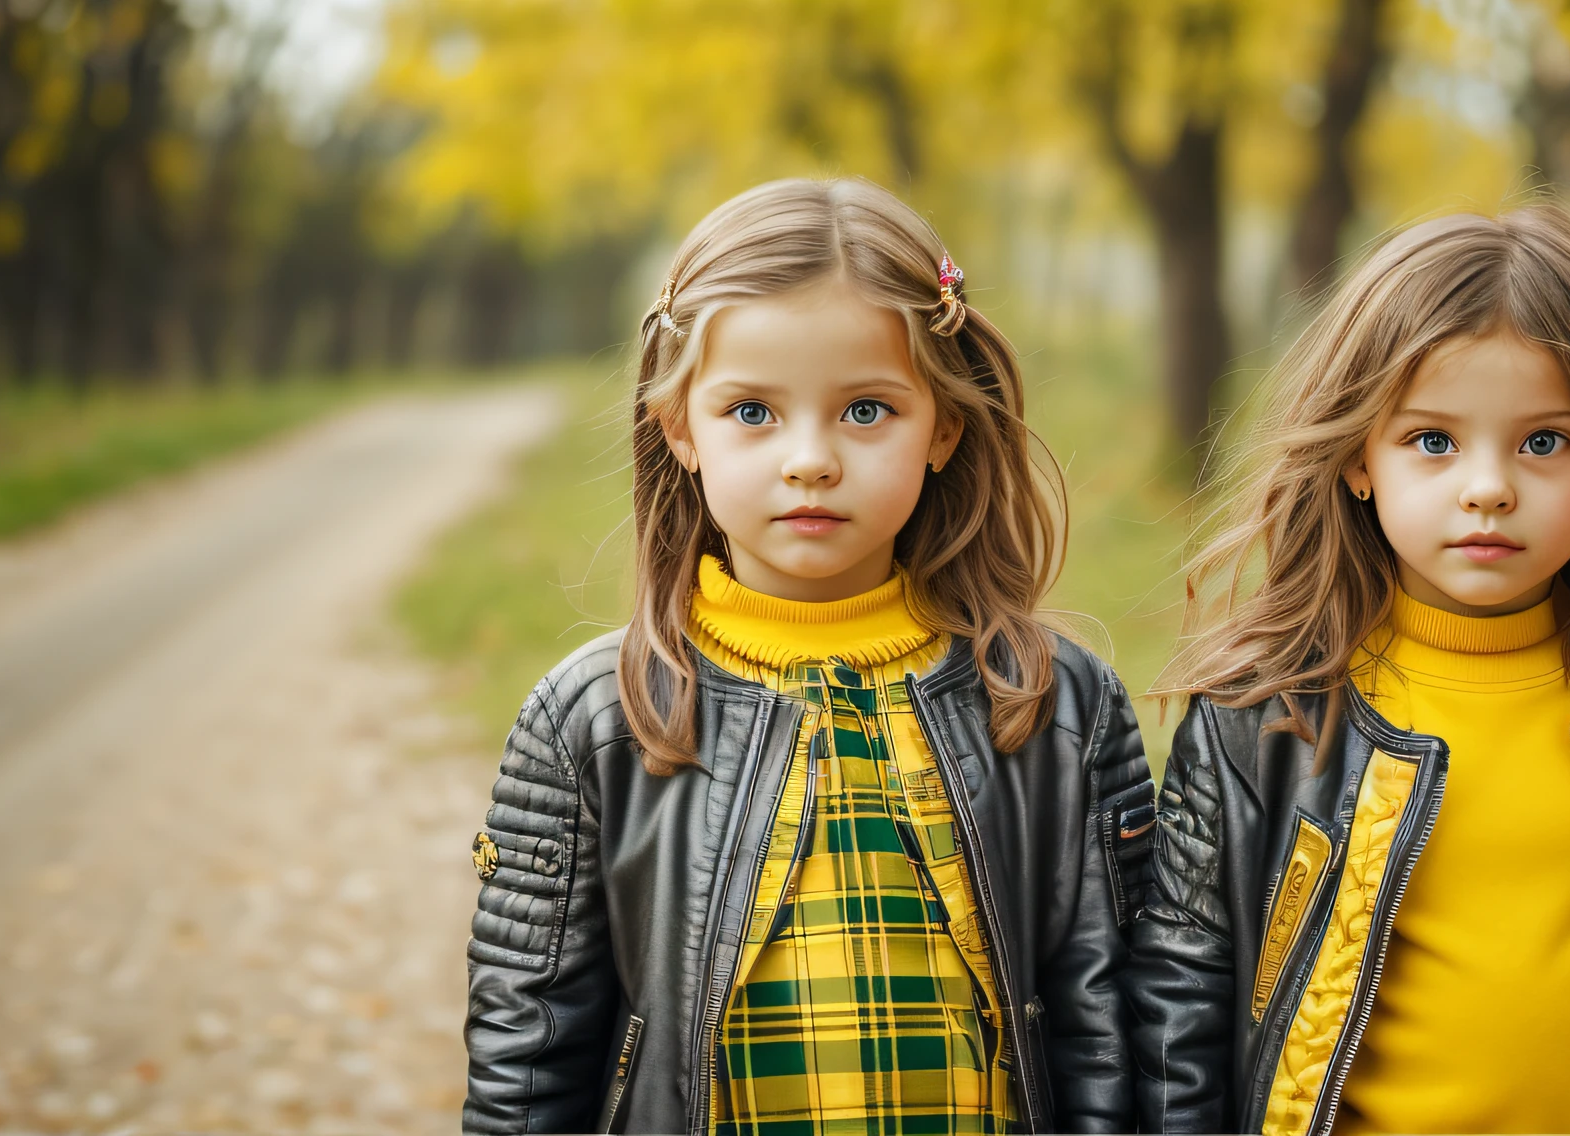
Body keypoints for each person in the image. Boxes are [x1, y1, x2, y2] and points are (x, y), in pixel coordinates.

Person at [462, 178, 1153, 1135]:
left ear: (945, 426)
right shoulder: (598, 717)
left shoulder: (1054, 704)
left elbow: (1114, 1024)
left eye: (867, 411)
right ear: (679, 429)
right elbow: (530, 1044)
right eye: (752, 412)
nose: (810, 459)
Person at [1124, 206, 1570, 1135]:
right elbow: (1182, 1003)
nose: (1488, 485)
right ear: (1357, 458)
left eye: (1544, 442)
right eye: (1433, 440)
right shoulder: (1260, 725)